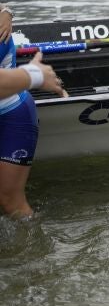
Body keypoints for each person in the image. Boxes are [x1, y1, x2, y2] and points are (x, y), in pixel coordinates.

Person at [0, 46, 64, 219]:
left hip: (11, 111)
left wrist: (8, 16)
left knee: (10, 201)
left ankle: (32, 243)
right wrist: (34, 75)